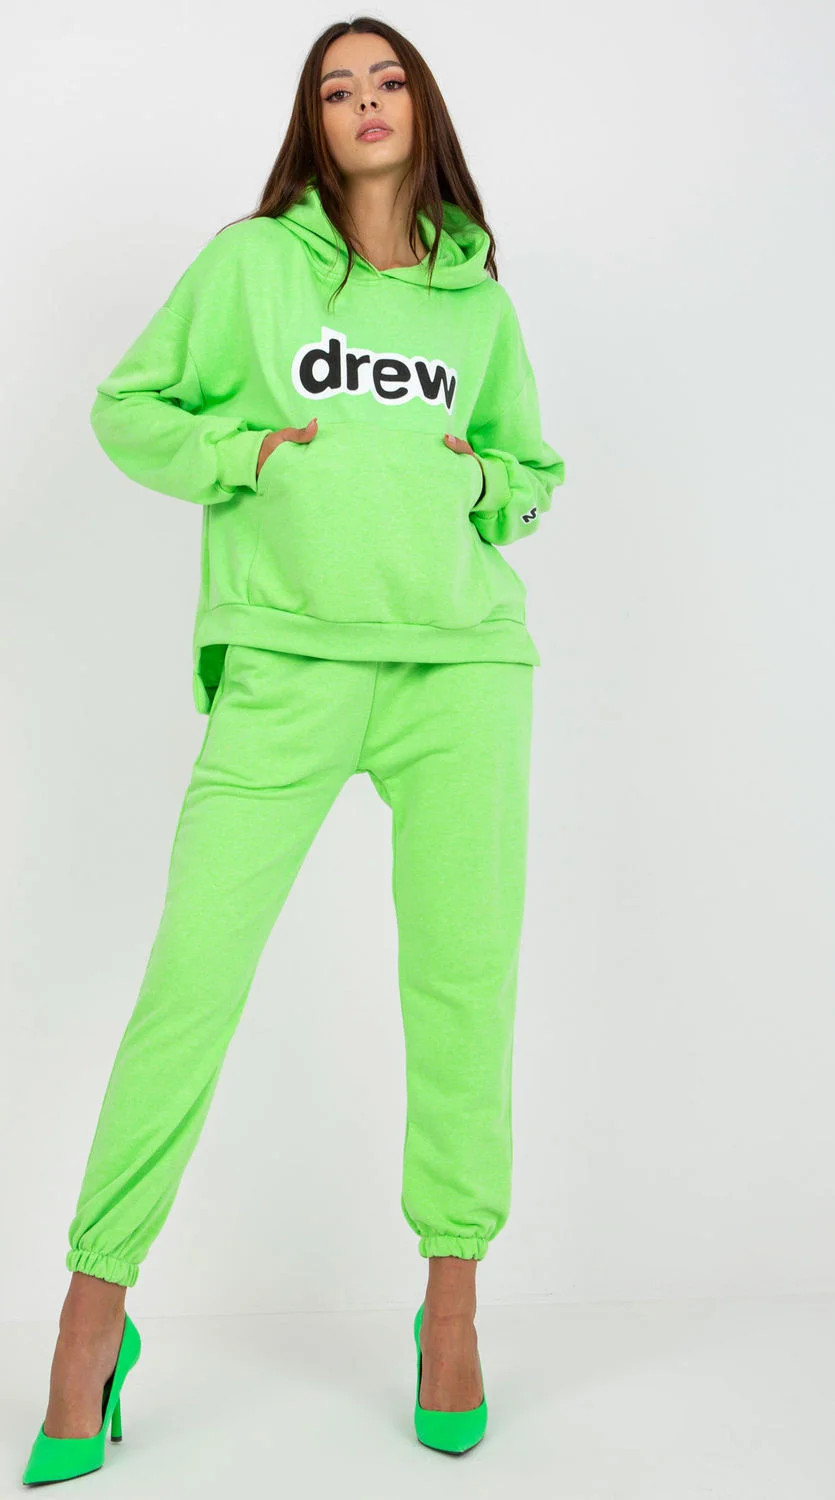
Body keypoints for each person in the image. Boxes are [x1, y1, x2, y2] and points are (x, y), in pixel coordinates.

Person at [22, 15, 565, 1482]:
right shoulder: (252, 264)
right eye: (338, 87)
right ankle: (91, 1319)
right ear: (312, 123)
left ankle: (452, 1308)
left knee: (461, 991)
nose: (366, 101)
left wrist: (483, 486)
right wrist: (239, 456)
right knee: (189, 987)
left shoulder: (477, 301)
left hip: (461, 666)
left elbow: (532, 473)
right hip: (287, 661)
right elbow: (128, 407)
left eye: (388, 80)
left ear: (421, 109)